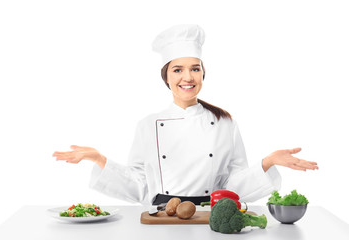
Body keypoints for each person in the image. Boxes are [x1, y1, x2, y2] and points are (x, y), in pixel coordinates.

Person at [53, 24, 318, 205]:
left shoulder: (225, 122)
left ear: (203, 73)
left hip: (211, 216)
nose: (188, 77)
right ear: (166, 77)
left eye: (195, 69)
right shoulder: (148, 124)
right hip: (161, 216)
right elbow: (140, 186)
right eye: (178, 70)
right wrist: (99, 159)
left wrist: (266, 163)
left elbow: (233, 184)